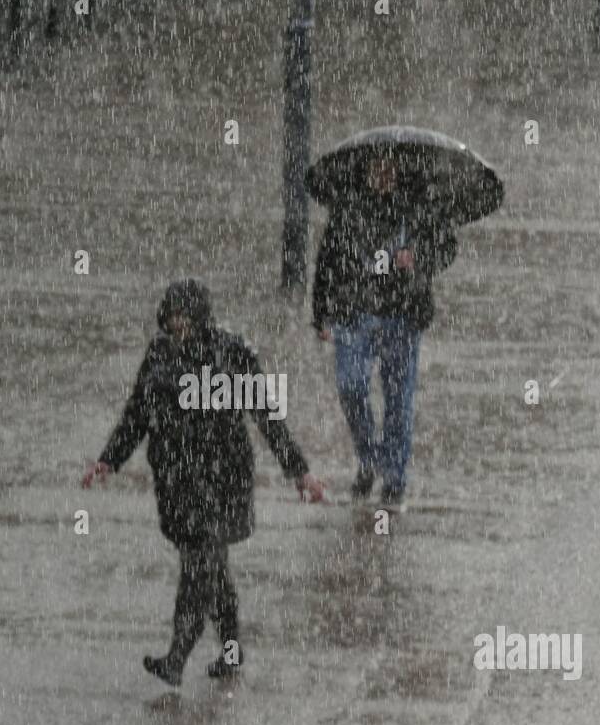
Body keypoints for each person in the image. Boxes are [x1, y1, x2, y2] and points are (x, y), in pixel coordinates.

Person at [82, 279, 325, 687]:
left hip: (222, 481)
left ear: (199, 317)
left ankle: (177, 656)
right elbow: (136, 414)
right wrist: (108, 461)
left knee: (199, 569)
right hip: (177, 481)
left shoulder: (232, 353)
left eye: (184, 318)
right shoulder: (159, 354)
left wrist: (299, 471)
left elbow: (266, 415)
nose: (178, 327)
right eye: (172, 318)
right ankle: (231, 652)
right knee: (214, 570)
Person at [311, 154, 459, 509]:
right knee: (350, 386)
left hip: (402, 317)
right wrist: (321, 315)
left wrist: (418, 256)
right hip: (354, 314)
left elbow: (447, 248)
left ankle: (394, 479)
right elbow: (327, 260)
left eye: (390, 168)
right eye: (376, 167)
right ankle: (369, 458)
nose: (383, 174)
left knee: (399, 402)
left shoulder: (419, 207)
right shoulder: (347, 208)